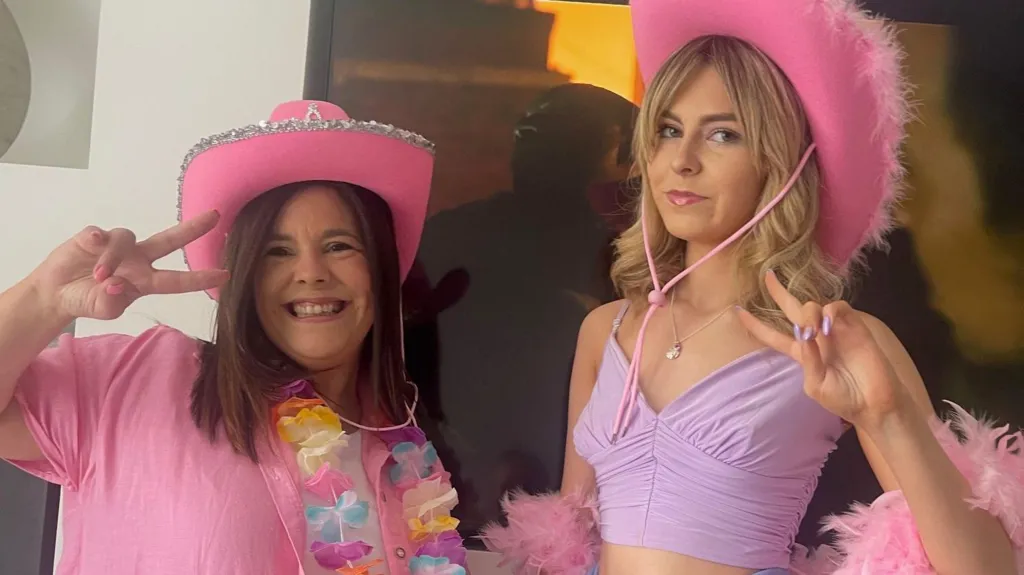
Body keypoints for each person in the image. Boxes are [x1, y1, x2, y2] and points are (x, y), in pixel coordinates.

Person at [480, 1, 1024, 574]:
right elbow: (565, 543)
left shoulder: (833, 341)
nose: (681, 161)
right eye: (668, 130)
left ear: (780, 161)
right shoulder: (607, 329)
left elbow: (987, 569)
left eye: (722, 135)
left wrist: (890, 418)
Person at [0, 100, 469, 575]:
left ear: (380, 270)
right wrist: (44, 297)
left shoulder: (402, 458)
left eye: (339, 246)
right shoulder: (138, 380)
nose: (310, 273)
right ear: (242, 275)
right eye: (276, 252)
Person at [412, 83, 636, 534]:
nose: (529, 143)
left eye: (547, 132)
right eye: (527, 131)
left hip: (571, 499)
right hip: (452, 480)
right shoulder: (450, 238)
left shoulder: (630, 260)